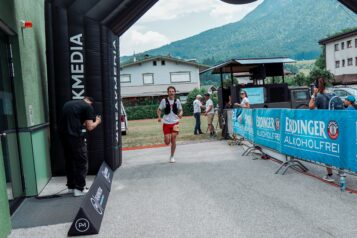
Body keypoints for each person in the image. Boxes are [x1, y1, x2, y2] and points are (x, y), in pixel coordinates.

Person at [59, 96, 102, 196]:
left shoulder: (68, 104)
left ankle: (71, 187)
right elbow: (90, 127)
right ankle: (79, 189)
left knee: (70, 161)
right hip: (75, 137)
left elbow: (74, 121)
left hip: (63, 136)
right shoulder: (88, 107)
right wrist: (97, 122)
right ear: (90, 103)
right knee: (82, 162)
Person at [309, 78, 336, 182]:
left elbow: (310, 106)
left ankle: (330, 174)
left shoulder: (319, 96)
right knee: (335, 148)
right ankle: (341, 170)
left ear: (316, 87)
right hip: (334, 126)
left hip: (325, 127)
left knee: (327, 150)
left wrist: (313, 95)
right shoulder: (332, 95)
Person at [157, 86, 183, 163]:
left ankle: (172, 156)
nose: (171, 93)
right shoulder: (164, 101)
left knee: (173, 138)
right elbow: (159, 110)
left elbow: (181, 110)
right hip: (166, 123)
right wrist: (159, 117)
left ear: (175, 92)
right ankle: (166, 139)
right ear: (168, 92)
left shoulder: (177, 101)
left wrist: (181, 114)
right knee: (167, 142)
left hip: (175, 122)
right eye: (170, 91)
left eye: (172, 91)